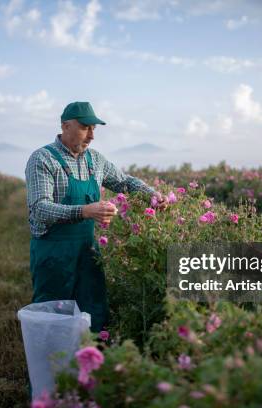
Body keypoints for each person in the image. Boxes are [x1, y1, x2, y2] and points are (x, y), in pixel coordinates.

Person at [25, 101, 168, 332]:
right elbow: (40, 208)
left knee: (93, 308)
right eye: (85, 127)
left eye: (94, 129)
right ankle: (54, 365)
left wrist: (153, 195)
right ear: (65, 126)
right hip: (53, 253)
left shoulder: (95, 160)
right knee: (53, 314)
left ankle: (92, 361)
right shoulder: (42, 159)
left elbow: (123, 181)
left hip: (87, 250)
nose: (91, 135)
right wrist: (84, 210)